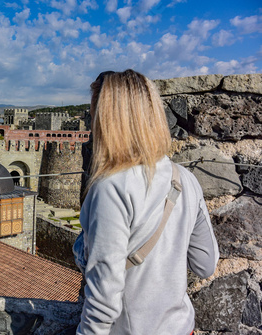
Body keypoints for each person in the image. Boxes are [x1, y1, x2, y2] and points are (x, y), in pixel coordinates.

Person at [73, 70, 219, 334]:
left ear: (106, 120)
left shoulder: (110, 187)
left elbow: (103, 303)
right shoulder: (185, 178)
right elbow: (205, 264)